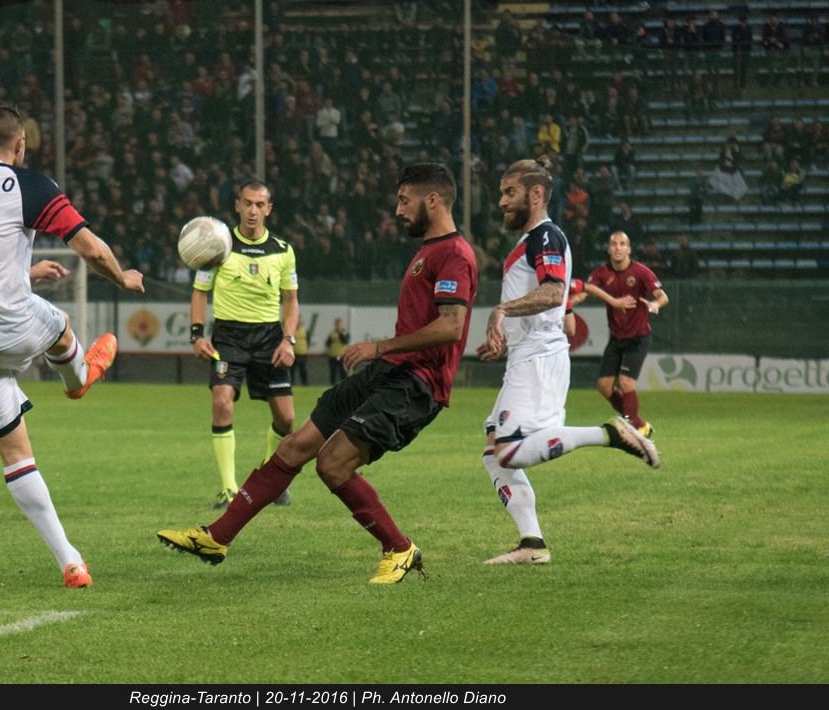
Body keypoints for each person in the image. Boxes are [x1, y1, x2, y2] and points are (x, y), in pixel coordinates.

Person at [158, 163, 477, 584]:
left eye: (404, 200)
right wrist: (382, 356)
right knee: (296, 445)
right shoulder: (428, 250)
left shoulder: (454, 254)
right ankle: (216, 537)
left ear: (432, 200)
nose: (398, 210)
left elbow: (452, 326)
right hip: (388, 371)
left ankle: (399, 549)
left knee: (332, 464)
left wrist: (380, 346)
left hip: (417, 383)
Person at [0, 101, 145, 588]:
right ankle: (79, 378)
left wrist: (25, 274)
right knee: (60, 324)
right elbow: (91, 248)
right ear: (21, 144)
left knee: (16, 455)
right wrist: (123, 277)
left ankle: (71, 560)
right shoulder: (28, 184)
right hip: (3, 325)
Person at [478, 158, 660, 567]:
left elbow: (552, 292)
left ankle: (610, 434)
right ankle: (532, 543)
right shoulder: (531, 240)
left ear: (536, 194)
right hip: (526, 354)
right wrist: (508, 337)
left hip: (540, 358)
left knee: (507, 452)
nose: (501, 201)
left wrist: (502, 311)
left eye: (510, 193)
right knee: (493, 450)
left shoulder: (546, 236)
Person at [189, 181, 299, 509]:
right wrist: (197, 335)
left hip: (269, 338)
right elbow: (200, 292)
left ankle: (270, 481)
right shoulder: (218, 246)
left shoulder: (283, 250)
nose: (253, 211)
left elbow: (290, 300)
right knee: (222, 403)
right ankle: (228, 489)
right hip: (229, 337)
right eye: (247, 203)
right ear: (237, 205)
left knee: (286, 419)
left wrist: (288, 340)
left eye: (259, 205)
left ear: (269, 209)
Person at [583, 231, 670, 439]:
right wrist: (570, 302)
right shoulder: (602, 272)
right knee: (604, 387)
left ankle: (633, 427)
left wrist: (655, 304)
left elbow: (662, 296)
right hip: (617, 338)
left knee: (625, 382)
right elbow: (587, 290)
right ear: (608, 249)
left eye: (622, 244)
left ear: (629, 249)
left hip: (638, 337)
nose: (618, 248)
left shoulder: (641, 272)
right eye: (614, 244)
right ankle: (639, 424)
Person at [325, 317, 349, 384]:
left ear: (342, 325)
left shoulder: (345, 333)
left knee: (343, 372)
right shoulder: (331, 333)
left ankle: (345, 385)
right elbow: (327, 344)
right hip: (333, 355)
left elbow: (345, 341)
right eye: (337, 324)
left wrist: (340, 333)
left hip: (342, 355)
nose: (338, 326)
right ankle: (332, 385)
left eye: (340, 324)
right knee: (333, 372)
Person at [290, 321, 309, 386]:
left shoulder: (305, 331)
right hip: (293, 353)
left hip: (302, 354)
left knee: (303, 370)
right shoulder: (291, 330)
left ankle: (305, 384)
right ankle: (291, 383)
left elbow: (308, 341)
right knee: (292, 370)